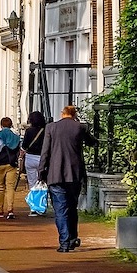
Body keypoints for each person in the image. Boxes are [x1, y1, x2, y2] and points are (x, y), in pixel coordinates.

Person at [38, 105, 98, 253]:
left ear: (62, 113)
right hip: (75, 174)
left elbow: (45, 152)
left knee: (60, 210)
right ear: (74, 114)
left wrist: (41, 172)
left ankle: (64, 242)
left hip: (55, 174)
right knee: (72, 207)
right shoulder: (80, 127)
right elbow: (92, 142)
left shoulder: (51, 128)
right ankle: (72, 239)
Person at [0, 117, 21, 219]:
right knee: (10, 187)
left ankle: (0, 211)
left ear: (1, 125)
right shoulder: (15, 137)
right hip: (12, 164)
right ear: (11, 125)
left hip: (0, 163)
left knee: (1, 187)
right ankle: (10, 210)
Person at [22, 111, 47, 215]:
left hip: (30, 157)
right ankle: (42, 205)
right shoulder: (46, 130)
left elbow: (24, 146)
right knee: (43, 183)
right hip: (43, 158)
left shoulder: (29, 131)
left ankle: (33, 208)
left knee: (32, 183)